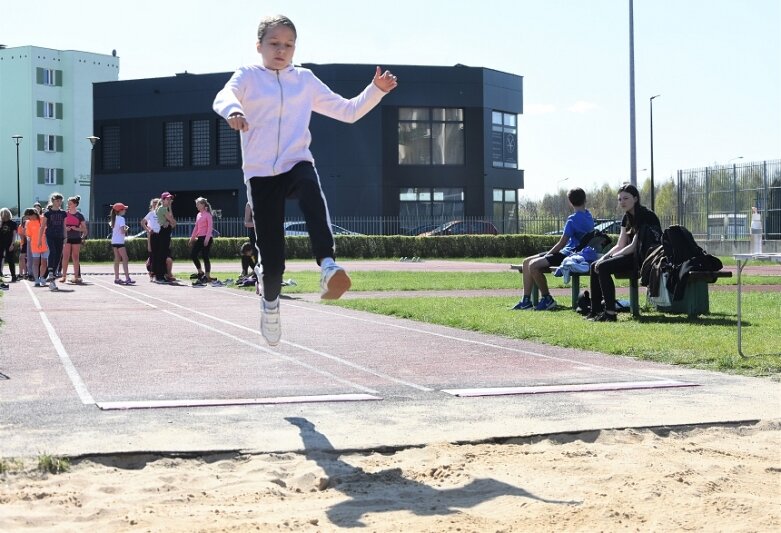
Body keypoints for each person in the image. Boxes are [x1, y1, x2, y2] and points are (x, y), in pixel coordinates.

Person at [213, 14, 398, 345]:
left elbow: (348, 111)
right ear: (259, 46)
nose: (281, 50)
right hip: (260, 173)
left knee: (312, 192)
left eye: (288, 45)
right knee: (272, 258)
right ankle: (270, 304)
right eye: (274, 44)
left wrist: (375, 91)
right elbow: (224, 95)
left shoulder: (305, 80)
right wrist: (234, 112)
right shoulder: (249, 76)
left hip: (295, 160)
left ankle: (328, 266)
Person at [587, 184, 662, 322]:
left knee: (603, 267)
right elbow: (620, 245)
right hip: (631, 256)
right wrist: (604, 257)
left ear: (635, 198)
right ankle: (595, 310)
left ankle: (610, 313)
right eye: (620, 199)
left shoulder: (646, 216)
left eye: (626, 198)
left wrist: (609, 259)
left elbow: (633, 247)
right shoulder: (626, 218)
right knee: (595, 265)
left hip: (644, 259)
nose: (622, 202)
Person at [513, 187, 594, 311]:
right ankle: (526, 301)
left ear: (570, 202)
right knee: (526, 262)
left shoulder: (572, 219)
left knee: (533, 265)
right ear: (585, 200)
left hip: (569, 254)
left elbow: (562, 244)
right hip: (568, 252)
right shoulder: (589, 216)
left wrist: (548, 255)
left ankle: (547, 299)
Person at [39, 192, 67, 287]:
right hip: (50, 235)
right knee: (53, 252)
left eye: (60, 201)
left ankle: (45, 276)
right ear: (53, 201)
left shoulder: (63, 213)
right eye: (57, 201)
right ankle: (51, 272)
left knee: (58, 256)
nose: (59, 202)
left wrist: (65, 237)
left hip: (59, 236)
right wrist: (39, 240)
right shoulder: (47, 213)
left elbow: (64, 226)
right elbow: (42, 227)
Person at [60, 196, 87, 284]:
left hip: (76, 238)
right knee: (65, 257)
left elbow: (85, 230)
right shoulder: (64, 214)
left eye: (70, 203)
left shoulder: (80, 215)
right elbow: (61, 227)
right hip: (66, 238)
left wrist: (76, 229)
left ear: (75, 204)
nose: (68, 205)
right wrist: (65, 229)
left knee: (75, 257)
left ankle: (76, 277)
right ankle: (63, 276)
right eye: (68, 203)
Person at [189, 197, 214, 286]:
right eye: (196, 204)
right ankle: (200, 272)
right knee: (193, 254)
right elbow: (196, 227)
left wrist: (207, 239)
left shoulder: (208, 215)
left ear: (203, 205)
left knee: (205, 256)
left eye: (198, 204)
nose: (196, 206)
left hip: (207, 238)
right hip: (200, 238)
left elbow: (210, 228)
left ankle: (207, 276)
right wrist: (192, 238)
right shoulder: (198, 215)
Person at [152, 192, 176, 284]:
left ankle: (161, 275)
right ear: (162, 200)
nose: (169, 200)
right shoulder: (162, 209)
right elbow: (173, 222)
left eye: (170, 199)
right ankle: (159, 276)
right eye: (167, 199)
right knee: (161, 255)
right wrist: (170, 222)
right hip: (163, 233)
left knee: (163, 255)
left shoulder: (165, 209)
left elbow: (171, 222)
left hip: (165, 233)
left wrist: (170, 221)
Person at [109, 202, 135, 285]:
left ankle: (117, 278)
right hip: (120, 241)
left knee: (117, 259)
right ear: (120, 211)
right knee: (125, 258)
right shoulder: (121, 219)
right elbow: (122, 231)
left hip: (114, 241)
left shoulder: (114, 218)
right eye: (124, 209)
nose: (125, 211)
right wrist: (126, 229)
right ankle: (127, 278)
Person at [25, 208, 50, 288]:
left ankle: (42, 277)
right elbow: (28, 235)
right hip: (35, 245)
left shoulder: (43, 219)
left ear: (34, 214)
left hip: (45, 244)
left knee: (44, 262)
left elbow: (47, 230)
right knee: (35, 262)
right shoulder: (28, 223)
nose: (29, 218)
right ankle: (36, 280)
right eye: (28, 217)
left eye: (30, 216)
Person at [0, 208, 18, 289]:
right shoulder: (0, 223)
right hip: (1, 244)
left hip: (9, 243)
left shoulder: (12, 223)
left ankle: (13, 276)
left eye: (6, 214)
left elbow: (14, 234)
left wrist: (12, 244)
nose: (4, 216)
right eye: (3, 214)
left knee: (10, 260)